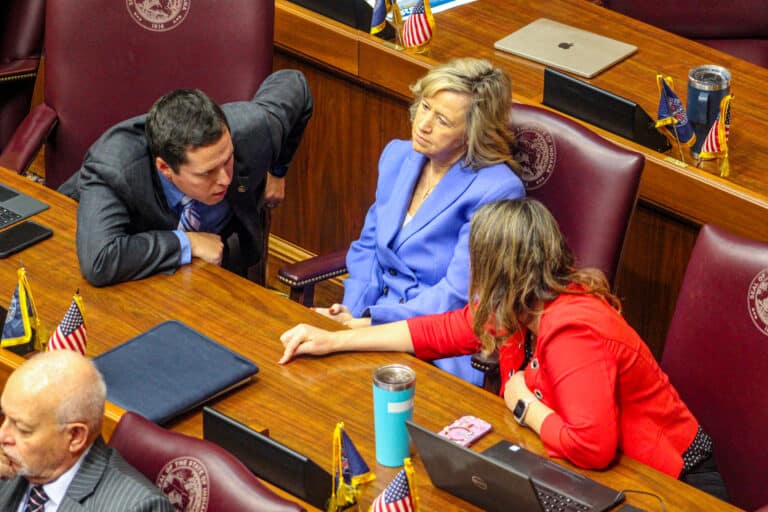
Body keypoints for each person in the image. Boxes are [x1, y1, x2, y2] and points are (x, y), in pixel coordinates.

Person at [280, 198, 728, 500]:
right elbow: (436, 332)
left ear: (498, 272)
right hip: (597, 476)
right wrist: (337, 339)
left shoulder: (573, 331)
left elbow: (592, 446)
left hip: (672, 486)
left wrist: (523, 406)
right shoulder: (524, 303)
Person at [314, 58, 525, 385]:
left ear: (473, 133)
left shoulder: (496, 190)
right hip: (368, 320)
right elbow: (369, 249)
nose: (423, 124)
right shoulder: (398, 156)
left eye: (442, 120)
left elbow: (456, 295)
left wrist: (371, 324)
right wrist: (351, 312)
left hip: (436, 345)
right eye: (425, 107)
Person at [59, 70, 313, 287]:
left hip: (220, 273)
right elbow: (99, 261)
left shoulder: (252, 130)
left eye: (227, 160)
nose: (225, 179)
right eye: (207, 173)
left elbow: (295, 83)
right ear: (165, 168)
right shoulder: (114, 168)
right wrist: (187, 243)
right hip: (131, 270)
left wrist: (278, 171)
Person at [0, 351, 172, 511]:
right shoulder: (14, 466)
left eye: (22, 429)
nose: (2, 436)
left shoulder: (136, 507)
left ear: (75, 436)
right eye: (3, 417)